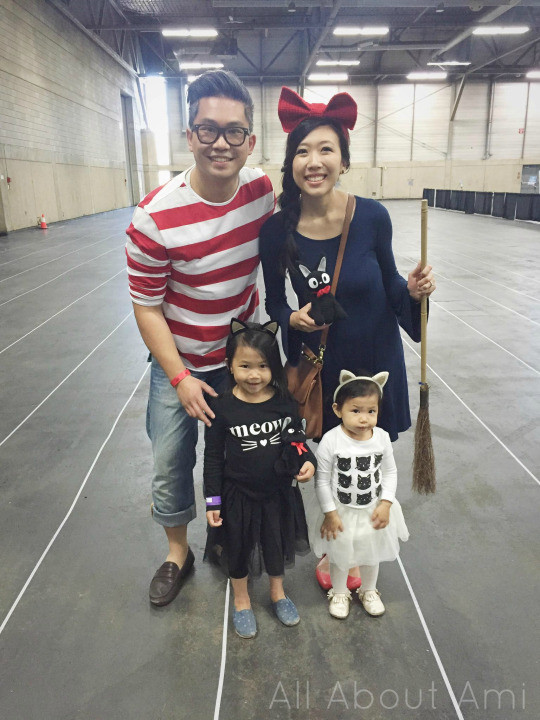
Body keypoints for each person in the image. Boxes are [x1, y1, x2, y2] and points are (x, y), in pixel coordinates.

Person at [259, 87, 436, 591]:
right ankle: (335, 545)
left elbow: (393, 287)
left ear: (343, 160)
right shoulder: (276, 231)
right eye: (302, 151)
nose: (313, 161)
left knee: (371, 458)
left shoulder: (372, 217)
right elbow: (273, 301)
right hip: (320, 361)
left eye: (325, 149)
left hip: (375, 360)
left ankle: (361, 545)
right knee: (330, 462)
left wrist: (418, 292)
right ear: (291, 161)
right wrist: (289, 319)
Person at [125, 70, 275, 607]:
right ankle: (176, 553)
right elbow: (145, 307)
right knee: (171, 458)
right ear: (189, 135)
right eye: (207, 129)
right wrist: (181, 377)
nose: (220, 143)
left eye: (234, 131)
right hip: (181, 359)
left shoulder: (261, 193)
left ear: (250, 142)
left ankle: (225, 534)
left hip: (240, 359)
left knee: (238, 456)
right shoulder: (154, 218)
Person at [204, 319, 316, 638]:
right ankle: (241, 601)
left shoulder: (284, 403)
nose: (255, 375)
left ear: (274, 367)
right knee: (237, 548)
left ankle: (278, 594)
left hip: (277, 493)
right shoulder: (222, 408)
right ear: (230, 365)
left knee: (275, 544)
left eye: (263, 366)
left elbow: (296, 439)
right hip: (237, 495)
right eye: (245, 366)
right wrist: (213, 500)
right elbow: (212, 457)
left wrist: (305, 460)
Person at [308, 370, 409, 619]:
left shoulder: (382, 438)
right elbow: (321, 481)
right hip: (340, 511)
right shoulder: (331, 441)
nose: (364, 418)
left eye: (371, 411)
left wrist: (385, 503)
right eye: (356, 411)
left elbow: (390, 473)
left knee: (369, 552)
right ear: (337, 409)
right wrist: (330, 514)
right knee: (339, 553)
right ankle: (340, 592)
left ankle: (369, 589)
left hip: (372, 509)